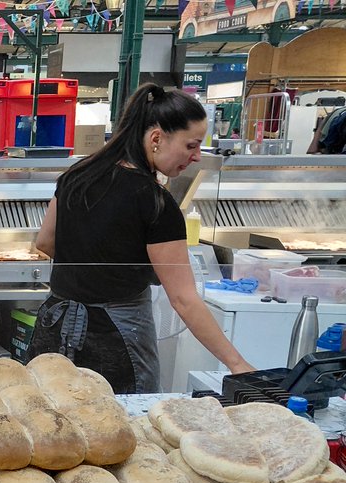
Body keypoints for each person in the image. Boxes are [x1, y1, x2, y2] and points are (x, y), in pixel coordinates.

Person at [29, 83, 253, 394]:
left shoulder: (76, 175)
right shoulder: (155, 201)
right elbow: (184, 300)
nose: (197, 157)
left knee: (53, 425)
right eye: (191, 145)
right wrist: (238, 364)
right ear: (157, 138)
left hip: (55, 328)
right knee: (125, 431)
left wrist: (96, 265)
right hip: (117, 339)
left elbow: (44, 242)